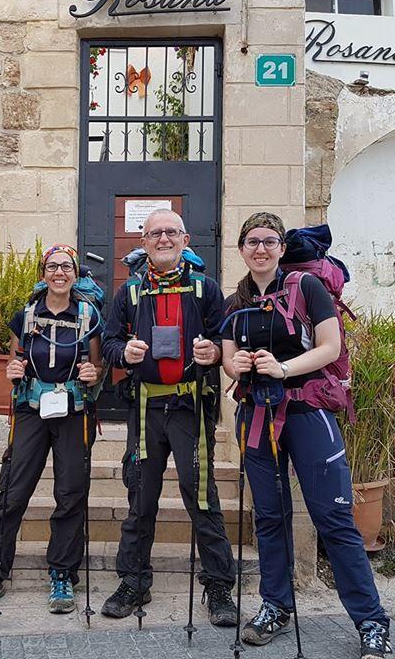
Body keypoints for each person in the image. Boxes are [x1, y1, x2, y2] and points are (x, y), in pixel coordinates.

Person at [220, 212, 391, 658]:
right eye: (253, 241)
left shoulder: (306, 287)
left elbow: (331, 346)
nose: (261, 248)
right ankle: (275, 605)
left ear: (281, 247)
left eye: (270, 241)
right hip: (256, 415)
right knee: (269, 518)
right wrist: (235, 365)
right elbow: (228, 357)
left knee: (333, 519)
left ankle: (371, 620)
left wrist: (284, 368)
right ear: (241, 248)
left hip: (308, 413)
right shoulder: (233, 302)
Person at [99, 209, 239, 627]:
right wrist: (124, 353)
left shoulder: (205, 289)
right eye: (154, 233)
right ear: (143, 242)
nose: (163, 239)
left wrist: (213, 353)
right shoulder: (129, 293)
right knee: (140, 497)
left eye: (170, 232)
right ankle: (133, 581)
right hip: (144, 408)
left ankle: (218, 586)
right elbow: (107, 342)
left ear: (185, 238)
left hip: (189, 409)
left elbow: (223, 338)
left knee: (200, 497)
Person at [0, 244, 104, 614]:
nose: (59, 272)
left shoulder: (89, 314)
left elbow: (99, 367)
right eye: (52, 266)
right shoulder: (25, 315)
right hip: (31, 409)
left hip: (74, 410)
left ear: (75, 273)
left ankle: (62, 574)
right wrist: (12, 371)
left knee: (71, 492)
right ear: (43, 273)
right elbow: (15, 361)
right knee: (13, 489)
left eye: (66, 266)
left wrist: (93, 373)